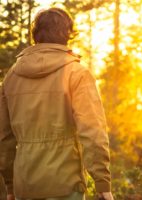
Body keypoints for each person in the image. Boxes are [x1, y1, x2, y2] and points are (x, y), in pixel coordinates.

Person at [0, 8, 113, 200]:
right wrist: (103, 183)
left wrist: (10, 185)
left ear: (35, 35)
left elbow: (3, 138)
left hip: (25, 185)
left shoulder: (11, 77)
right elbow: (92, 130)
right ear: (68, 34)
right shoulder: (77, 73)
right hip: (65, 185)